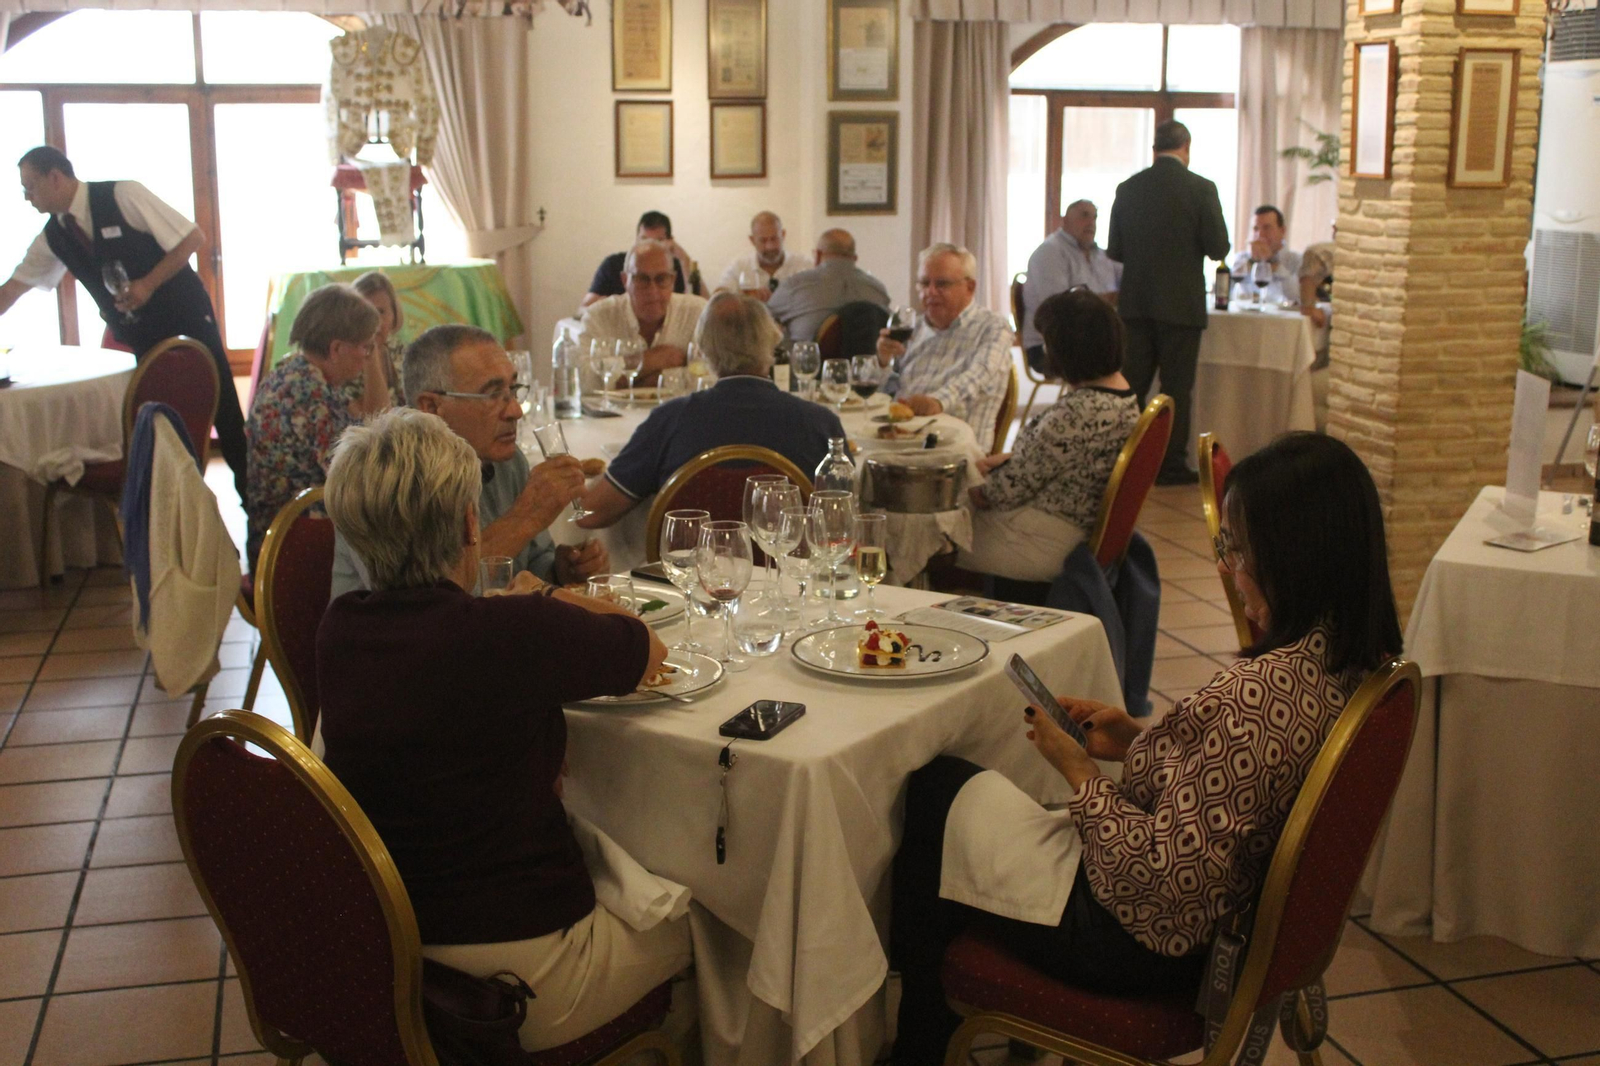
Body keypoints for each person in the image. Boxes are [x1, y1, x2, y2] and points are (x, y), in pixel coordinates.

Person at [888, 431, 1403, 1065]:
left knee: (933, 792)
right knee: (965, 801)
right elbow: (1236, 791)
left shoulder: (1259, 693)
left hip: (1142, 943)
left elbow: (1163, 886)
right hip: (1222, 920)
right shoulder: (1354, 661)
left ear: (1295, 558)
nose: (1226, 567)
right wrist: (1140, 741)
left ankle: (925, 1035)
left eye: (1237, 549)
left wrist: (1080, 772)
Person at [317, 407, 691, 1053]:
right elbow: (646, 649)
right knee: (704, 920)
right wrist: (544, 597)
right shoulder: (508, 633)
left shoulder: (339, 629)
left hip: (390, 948)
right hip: (523, 976)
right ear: (471, 522)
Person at [0, 146, 250, 499]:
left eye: (31, 187)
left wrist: (147, 284)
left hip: (186, 316)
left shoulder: (123, 194)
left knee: (222, 408)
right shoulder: (54, 236)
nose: (27, 197)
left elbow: (192, 238)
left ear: (55, 177)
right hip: (140, 336)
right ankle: (172, 507)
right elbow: (12, 289)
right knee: (159, 418)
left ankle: (256, 508)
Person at [329, 324, 608, 599]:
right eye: (493, 395)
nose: (515, 411)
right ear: (431, 407)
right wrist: (526, 516)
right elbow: (422, 602)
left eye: (513, 389)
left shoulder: (508, 463)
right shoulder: (386, 478)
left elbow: (531, 562)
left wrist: (560, 570)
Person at [577, 293, 846, 528]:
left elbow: (589, 514)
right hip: (791, 569)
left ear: (704, 349)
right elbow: (842, 525)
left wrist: (567, 478)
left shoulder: (670, 421)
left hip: (691, 571)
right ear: (772, 343)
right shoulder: (821, 425)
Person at [961, 290, 1141, 582]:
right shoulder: (1121, 394)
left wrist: (968, 477)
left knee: (931, 532)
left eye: (1047, 344)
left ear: (1067, 350)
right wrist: (1010, 461)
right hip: (1073, 527)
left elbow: (994, 494)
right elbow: (1068, 456)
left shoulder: (1076, 413)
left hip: (1043, 541)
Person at [1107, 120, 1230, 486]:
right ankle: (1169, 465)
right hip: (1181, 306)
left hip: (1136, 303)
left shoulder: (1128, 188)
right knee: (1175, 388)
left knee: (1131, 385)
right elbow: (1218, 248)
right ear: (1186, 147)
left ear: (1154, 149)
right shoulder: (1201, 188)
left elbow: (1115, 250)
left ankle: (1122, 459)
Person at [245, 283, 387, 568]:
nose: (368, 356)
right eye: (365, 347)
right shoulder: (311, 395)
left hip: (281, 533)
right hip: (297, 546)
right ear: (336, 349)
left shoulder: (295, 372)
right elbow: (357, 478)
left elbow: (372, 419)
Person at [874, 243, 1013, 440]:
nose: (930, 292)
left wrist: (937, 402)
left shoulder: (993, 327)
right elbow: (885, 392)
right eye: (924, 283)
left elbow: (980, 375)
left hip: (954, 446)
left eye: (942, 284)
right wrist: (882, 362)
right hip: (901, 440)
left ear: (970, 287)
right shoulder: (914, 328)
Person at [580, 240, 709, 386]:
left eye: (661, 279)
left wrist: (639, 380)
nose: (652, 291)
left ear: (673, 281)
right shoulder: (598, 317)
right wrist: (650, 360)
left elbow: (709, 377)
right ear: (625, 281)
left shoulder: (697, 313)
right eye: (642, 279)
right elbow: (584, 380)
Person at [1020, 200, 1122, 372]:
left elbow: (1130, 284)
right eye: (1084, 215)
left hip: (1098, 340)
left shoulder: (1102, 255)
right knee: (1131, 359)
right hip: (1053, 345)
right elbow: (1057, 308)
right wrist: (1106, 301)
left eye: (1095, 217)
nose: (1091, 223)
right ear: (1065, 221)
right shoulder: (1049, 252)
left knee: (1142, 347)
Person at [764, 228, 891, 342]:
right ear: (855, 258)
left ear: (818, 255)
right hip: (867, 360)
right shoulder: (878, 290)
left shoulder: (794, 286)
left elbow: (762, 319)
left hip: (810, 360)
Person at [580, 211, 703, 311]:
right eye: (644, 240)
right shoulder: (613, 265)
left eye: (657, 241)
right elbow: (584, 309)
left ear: (670, 242)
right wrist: (613, 305)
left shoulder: (676, 266)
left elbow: (702, 310)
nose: (649, 246)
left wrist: (684, 259)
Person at [714, 211, 807, 300]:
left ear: (783, 235)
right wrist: (747, 297)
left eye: (774, 239)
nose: (770, 247)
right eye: (763, 241)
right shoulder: (740, 267)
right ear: (752, 240)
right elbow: (717, 297)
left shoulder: (804, 265)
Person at [351, 270, 406, 406]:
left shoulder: (402, 350)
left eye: (381, 311)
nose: (375, 321)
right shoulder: (344, 360)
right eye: (365, 313)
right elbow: (371, 415)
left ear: (394, 315)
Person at [1230, 205, 1302, 304]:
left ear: (1282, 231)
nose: (1260, 234)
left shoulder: (1296, 260)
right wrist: (1249, 263)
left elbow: (1297, 297)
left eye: (1267, 228)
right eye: (1256, 229)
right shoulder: (1242, 258)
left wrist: (1273, 265)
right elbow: (1223, 293)